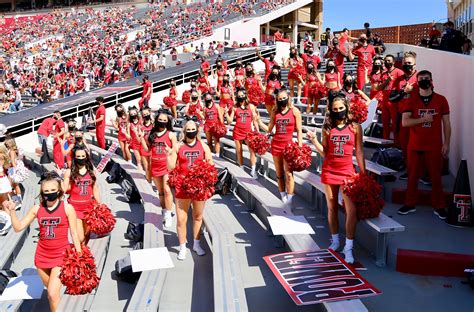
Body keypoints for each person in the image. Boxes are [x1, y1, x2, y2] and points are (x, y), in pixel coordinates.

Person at [3, 172, 82, 312]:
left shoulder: (67, 208)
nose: (50, 193)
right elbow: (18, 227)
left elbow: (74, 233)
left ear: (59, 191)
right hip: (42, 257)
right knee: (53, 293)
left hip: (61, 255)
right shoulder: (37, 209)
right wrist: (13, 212)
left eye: (53, 190)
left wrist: (79, 255)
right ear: (42, 192)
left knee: (51, 294)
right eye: (46, 191)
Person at [306, 95, 366, 264]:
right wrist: (314, 140)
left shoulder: (355, 127)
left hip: (347, 172)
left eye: (341, 108)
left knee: (351, 210)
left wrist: (363, 172)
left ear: (346, 107)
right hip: (330, 171)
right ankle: (335, 241)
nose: (339, 111)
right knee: (332, 207)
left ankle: (348, 247)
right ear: (331, 110)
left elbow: (359, 151)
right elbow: (325, 152)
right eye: (335, 109)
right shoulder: (327, 128)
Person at [398, 70, 451, 219]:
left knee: (436, 177)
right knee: (413, 176)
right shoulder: (411, 100)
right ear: (417, 82)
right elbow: (405, 122)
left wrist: (447, 143)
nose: (423, 81)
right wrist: (423, 119)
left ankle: (439, 206)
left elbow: (446, 123)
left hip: (434, 145)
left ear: (431, 80)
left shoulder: (441, 100)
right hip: (415, 145)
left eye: (426, 79)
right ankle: (410, 204)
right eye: (420, 79)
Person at [166, 120, 213, 260]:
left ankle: (196, 244)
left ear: (197, 131)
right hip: (182, 187)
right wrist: (169, 155)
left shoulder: (204, 146)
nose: (190, 131)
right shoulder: (178, 147)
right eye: (188, 129)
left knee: (198, 216)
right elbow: (170, 168)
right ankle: (182, 247)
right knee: (181, 219)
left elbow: (210, 166)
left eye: (193, 129)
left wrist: (203, 177)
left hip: (199, 187)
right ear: (184, 131)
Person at [258, 89, 302, 207]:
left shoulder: (295, 111)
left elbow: (299, 130)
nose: (282, 100)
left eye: (284, 98)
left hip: (289, 146)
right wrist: (258, 121)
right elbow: (270, 128)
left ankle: (290, 198)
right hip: (276, 145)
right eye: (280, 99)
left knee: (289, 173)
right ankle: (282, 194)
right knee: (279, 173)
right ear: (277, 100)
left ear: (288, 97)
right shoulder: (275, 111)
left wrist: (300, 146)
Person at [140, 110, 177, 228]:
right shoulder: (152, 134)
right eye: (160, 120)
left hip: (166, 166)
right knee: (160, 192)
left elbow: (175, 150)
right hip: (155, 165)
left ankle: (168, 213)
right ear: (156, 120)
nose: (162, 122)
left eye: (164, 120)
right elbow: (147, 150)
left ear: (168, 122)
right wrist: (141, 138)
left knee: (167, 190)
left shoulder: (171, 135)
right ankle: (165, 210)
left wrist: (169, 151)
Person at [389, 51, 418, 179]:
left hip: (416, 118)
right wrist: (403, 92)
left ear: (415, 65)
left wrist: (414, 91)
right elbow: (392, 98)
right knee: (405, 145)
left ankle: (418, 171)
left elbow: (428, 93)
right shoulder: (398, 80)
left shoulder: (420, 77)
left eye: (410, 63)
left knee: (417, 145)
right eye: (405, 63)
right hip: (402, 116)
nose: (407, 65)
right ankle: (409, 169)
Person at [63, 146, 100, 244]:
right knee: (80, 237)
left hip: (89, 208)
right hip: (75, 208)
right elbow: (65, 188)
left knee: (87, 233)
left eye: (83, 156)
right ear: (74, 157)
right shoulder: (69, 172)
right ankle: (80, 252)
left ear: (86, 157)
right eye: (78, 156)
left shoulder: (92, 172)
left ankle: (83, 254)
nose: (81, 158)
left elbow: (95, 189)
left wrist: (99, 204)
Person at [225, 89, 259, 179]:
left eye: (241, 96)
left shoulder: (251, 106)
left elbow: (255, 120)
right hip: (237, 131)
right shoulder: (235, 107)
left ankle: (253, 170)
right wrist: (225, 113)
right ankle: (241, 167)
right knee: (239, 151)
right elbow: (230, 121)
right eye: (238, 96)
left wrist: (257, 131)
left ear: (245, 95)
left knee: (252, 151)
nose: (240, 98)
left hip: (248, 132)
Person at [378, 55, 404, 141]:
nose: (387, 62)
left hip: (394, 102)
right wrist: (387, 81)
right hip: (384, 102)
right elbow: (379, 88)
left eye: (389, 60)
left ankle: (397, 144)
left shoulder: (399, 72)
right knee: (385, 124)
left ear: (393, 62)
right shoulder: (383, 73)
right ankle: (385, 144)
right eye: (385, 60)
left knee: (396, 124)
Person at [203, 92, 224, 157]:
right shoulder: (204, 108)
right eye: (207, 98)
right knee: (209, 142)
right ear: (205, 99)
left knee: (216, 141)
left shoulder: (216, 106)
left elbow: (220, 116)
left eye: (209, 97)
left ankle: (217, 155)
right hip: (207, 125)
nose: (208, 99)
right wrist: (198, 113)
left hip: (215, 125)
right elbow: (204, 117)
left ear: (211, 98)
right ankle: (210, 155)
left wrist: (222, 125)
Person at [139, 107, 154, 181]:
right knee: (146, 167)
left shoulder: (154, 125)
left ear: (150, 114)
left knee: (152, 166)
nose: (146, 115)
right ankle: (149, 182)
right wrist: (139, 135)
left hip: (152, 148)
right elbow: (139, 140)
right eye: (144, 114)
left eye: (147, 114)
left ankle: (154, 181)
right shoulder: (141, 127)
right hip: (143, 148)